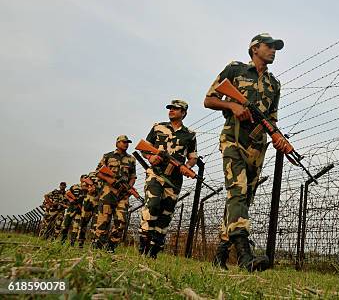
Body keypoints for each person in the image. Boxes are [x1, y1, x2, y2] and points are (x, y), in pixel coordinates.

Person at [203, 33, 289, 272]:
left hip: (257, 147)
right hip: (233, 139)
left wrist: (278, 137)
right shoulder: (236, 70)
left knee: (241, 200)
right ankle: (244, 256)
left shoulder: (274, 84)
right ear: (255, 48)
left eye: (275, 48)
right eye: (269, 47)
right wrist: (232, 105)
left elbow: (271, 119)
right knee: (238, 191)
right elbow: (209, 99)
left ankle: (220, 255)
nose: (273, 51)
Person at [138, 100, 197, 258]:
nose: (171, 111)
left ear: (183, 113)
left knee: (166, 213)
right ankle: (144, 241)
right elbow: (144, 147)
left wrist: (187, 167)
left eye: (175, 109)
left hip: (175, 179)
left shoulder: (190, 134)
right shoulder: (158, 127)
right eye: (170, 108)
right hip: (155, 174)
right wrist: (150, 157)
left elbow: (192, 157)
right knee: (152, 205)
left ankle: (154, 248)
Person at [91, 135, 137, 253]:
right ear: (117, 143)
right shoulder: (108, 156)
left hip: (123, 195)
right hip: (108, 193)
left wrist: (129, 188)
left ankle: (111, 246)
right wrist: (110, 180)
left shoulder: (131, 159)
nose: (126, 144)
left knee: (121, 220)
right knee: (103, 219)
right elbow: (98, 172)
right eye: (123, 142)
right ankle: (99, 244)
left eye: (127, 142)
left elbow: (132, 176)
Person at [60, 175, 87, 245]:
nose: (85, 180)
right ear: (80, 179)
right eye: (84, 178)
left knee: (76, 227)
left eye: (87, 178)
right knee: (65, 225)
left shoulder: (88, 188)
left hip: (80, 210)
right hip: (71, 208)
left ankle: (72, 243)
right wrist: (71, 200)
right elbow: (66, 194)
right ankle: (62, 241)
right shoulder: (75, 186)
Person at [77, 171, 100, 248]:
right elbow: (83, 186)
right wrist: (90, 187)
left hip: (98, 201)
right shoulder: (92, 174)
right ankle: (80, 242)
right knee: (83, 223)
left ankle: (94, 242)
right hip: (89, 200)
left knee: (96, 223)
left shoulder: (107, 175)